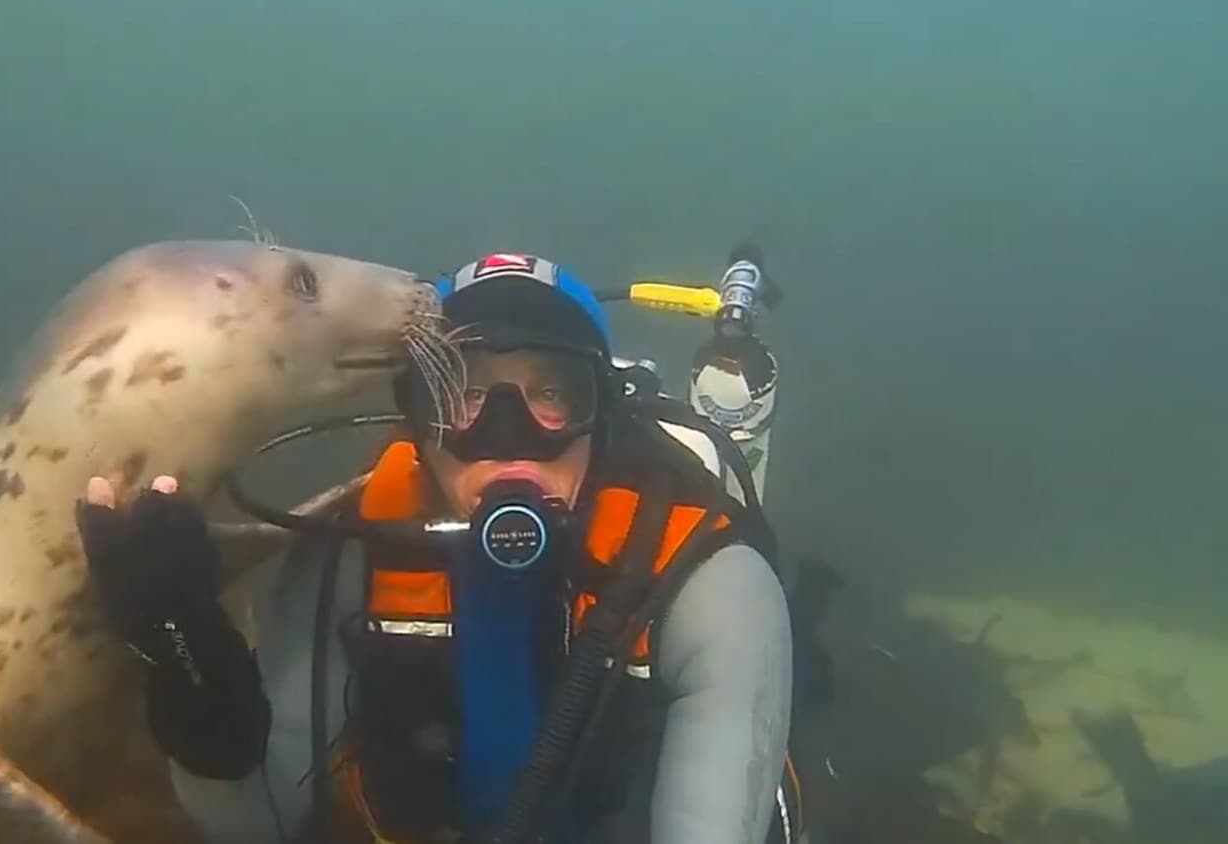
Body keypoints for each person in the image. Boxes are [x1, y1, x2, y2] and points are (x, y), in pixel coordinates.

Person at [75, 253, 797, 844]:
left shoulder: (710, 586)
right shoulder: (348, 559)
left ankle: (720, 422)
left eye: (553, 394)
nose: (507, 435)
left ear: (600, 420)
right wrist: (190, 662)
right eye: (462, 394)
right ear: (417, 424)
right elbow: (252, 826)